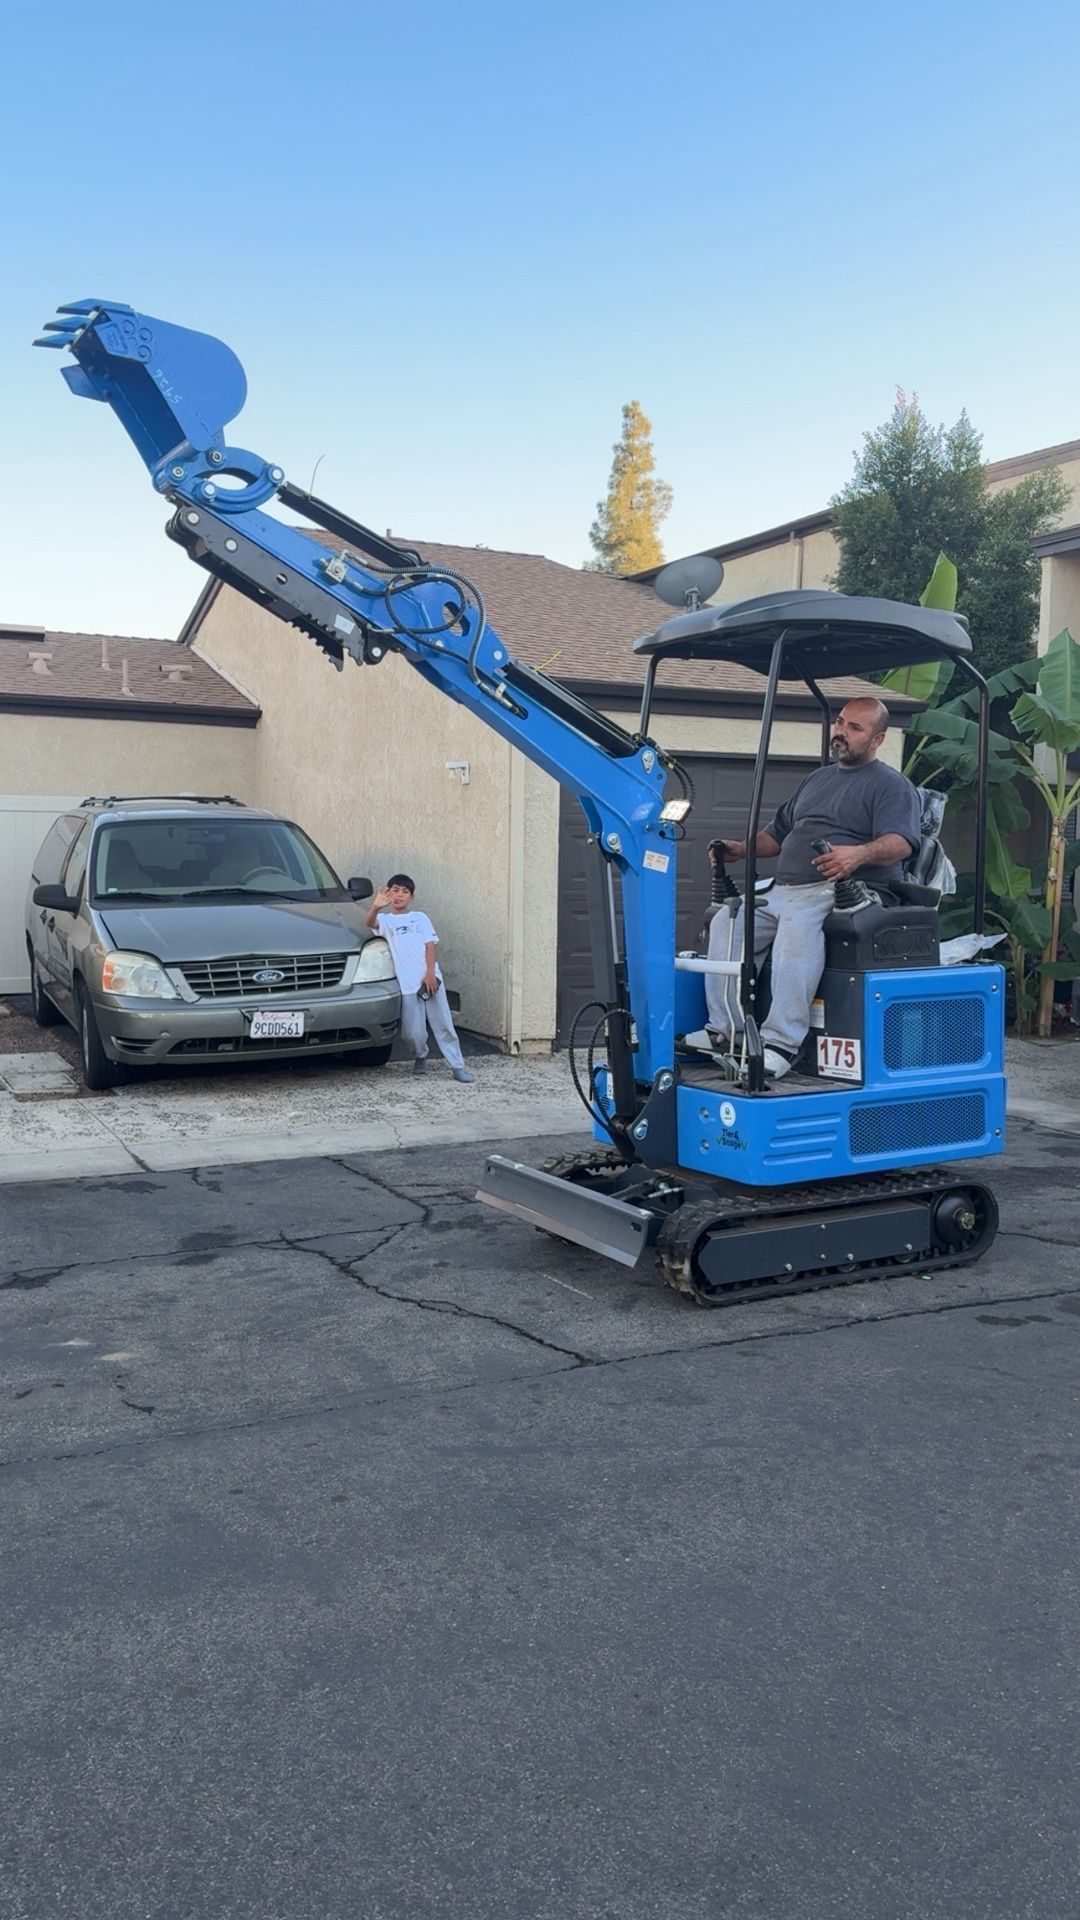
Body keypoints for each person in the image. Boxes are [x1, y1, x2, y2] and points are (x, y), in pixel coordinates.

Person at [690, 697, 921, 1079]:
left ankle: (780, 1042)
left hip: (845, 889)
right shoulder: (817, 779)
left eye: (854, 728)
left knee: (797, 926)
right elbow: (776, 836)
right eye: (840, 723)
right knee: (728, 921)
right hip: (784, 889)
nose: (841, 733)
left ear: (878, 740)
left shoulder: (891, 786)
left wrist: (856, 855)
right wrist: (740, 849)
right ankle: (723, 1030)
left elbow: (902, 842)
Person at [366, 874, 474, 1083]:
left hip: (430, 980)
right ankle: (420, 1055)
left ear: (411, 897)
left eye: (405, 892)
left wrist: (430, 973)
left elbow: (430, 945)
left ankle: (457, 1065)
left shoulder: (420, 918)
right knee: (411, 1033)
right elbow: (369, 921)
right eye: (395, 890)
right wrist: (376, 906)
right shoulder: (386, 921)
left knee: (443, 1025)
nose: (399, 895)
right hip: (408, 986)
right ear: (388, 893)